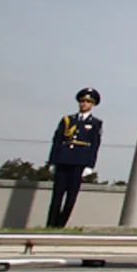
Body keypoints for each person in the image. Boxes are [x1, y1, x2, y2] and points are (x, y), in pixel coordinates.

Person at [46, 88, 102, 228]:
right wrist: (53, 161)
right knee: (57, 195)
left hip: (79, 162)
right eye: (82, 101)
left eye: (88, 102)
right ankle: (51, 224)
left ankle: (61, 225)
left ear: (92, 104)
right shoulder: (67, 120)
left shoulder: (95, 123)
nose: (84, 104)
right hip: (63, 159)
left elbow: (94, 145)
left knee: (71, 196)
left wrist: (89, 165)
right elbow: (57, 141)